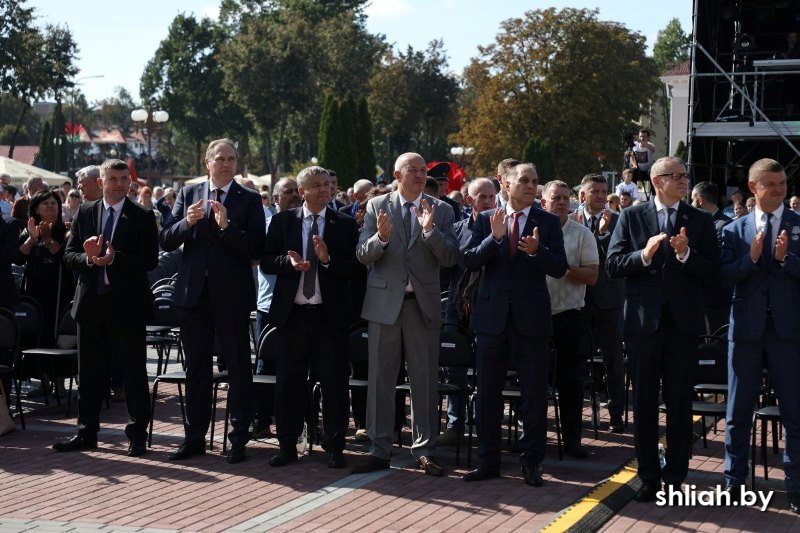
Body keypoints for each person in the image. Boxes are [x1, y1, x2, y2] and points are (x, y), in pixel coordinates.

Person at [606, 156, 718, 502]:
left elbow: (713, 272)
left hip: (682, 326)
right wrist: (645, 253)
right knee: (643, 403)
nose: (685, 181)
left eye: (686, 175)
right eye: (677, 176)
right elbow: (613, 265)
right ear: (658, 181)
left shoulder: (699, 220)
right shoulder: (631, 216)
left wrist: (686, 255)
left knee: (681, 403)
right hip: (643, 326)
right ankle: (648, 476)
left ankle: (675, 477)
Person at [351, 152, 458, 477]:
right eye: (413, 170)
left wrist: (430, 233)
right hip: (385, 306)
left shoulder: (442, 210)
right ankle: (379, 448)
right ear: (397, 174)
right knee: (381, 380)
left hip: (422, 306)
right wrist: (381, 238)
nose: (420, 175)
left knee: (425, 381)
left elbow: (451, 257)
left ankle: (425, 450)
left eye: (423, 170)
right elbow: (362, 255)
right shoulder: (376, 206)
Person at [462, 161, 568, 486]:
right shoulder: (485, 219)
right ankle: (488, 461)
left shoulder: (547, 221)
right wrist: (492, 239)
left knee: (534, 395)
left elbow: (560, 267)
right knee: (488, 393)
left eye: (535, 181)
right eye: (524, 180)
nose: (531, 186)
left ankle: (531, 462)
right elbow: (468, 261)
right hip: (492, 320)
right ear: (506, 184)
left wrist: (538, 251)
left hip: (531, 321)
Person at [160, 138, 265, 464]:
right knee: (197, 370)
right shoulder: (190, 193)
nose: (226, 164)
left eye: (232, 159)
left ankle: (238, 439)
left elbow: (257, 249)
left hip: (231, 296)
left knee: (238, 368)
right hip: (193, 295)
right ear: (207, 162)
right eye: (220, 158)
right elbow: (166, 238)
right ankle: (195, 438)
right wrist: (186, 222)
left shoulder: (247, 199)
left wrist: (227, 227)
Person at [53, 159, 159, 456]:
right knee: (89, 373)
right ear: (101, 182)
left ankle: (137, 435)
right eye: (113, 179)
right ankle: (86, 433)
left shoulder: (142, 215)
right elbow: (69, 255)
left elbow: (150, 260)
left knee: (133, 373)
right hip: (90, 304)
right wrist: (89, 259)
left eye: (124, 178)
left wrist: (115, 259)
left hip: (127, 306)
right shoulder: (86, 211)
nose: (120, 184)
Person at [261, 166, 365, 469]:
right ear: (301, 192)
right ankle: (287, 445)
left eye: (326, 185)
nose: (324, 190)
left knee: (334, 383)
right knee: (289, 383)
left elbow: (358, 270)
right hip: (292, 316)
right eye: (316, 185)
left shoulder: (344, 224)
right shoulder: (283, 222)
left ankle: (334, 446)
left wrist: (328, 260)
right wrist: (287, 262)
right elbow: (266, 260)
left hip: (329, 317)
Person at [720, 158, 800, 513]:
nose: (780, 190)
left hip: (788, 333)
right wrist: (750, 259)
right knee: (738, 411)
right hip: (747, 332)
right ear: (754, 188)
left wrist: (786, 261)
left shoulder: (799, 225)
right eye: (772, 184)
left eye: (783, 184)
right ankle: (733, 482)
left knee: (794, 412)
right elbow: (723, 278)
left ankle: (795, 485)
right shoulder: (734, 230)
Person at [540, 180, 598, 457]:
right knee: (534, 380)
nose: (562, 202)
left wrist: (563, 269)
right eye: (556, 198)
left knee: (570, 382)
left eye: (566, 198)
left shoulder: (582, 234)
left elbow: (593, 275)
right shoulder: (534, 229)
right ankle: (535, 437)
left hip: (568, 315)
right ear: (544, 203)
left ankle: (572, 438)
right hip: (536, 316)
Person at [437, 177, 497, 447]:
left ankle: (484, 425)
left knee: (487, 369)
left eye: (491, 197)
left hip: (490, 306)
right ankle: (454, 425)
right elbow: (451, 265)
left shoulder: (502, 227)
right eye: (481, 197)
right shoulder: (456, 229)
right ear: (469, 200)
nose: (487, 202)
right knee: (454, 369)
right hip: (457, 307)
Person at [572, 174, 626, 434]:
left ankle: (616, 415)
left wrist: (603, 234)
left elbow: (616, 260)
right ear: (583, 195)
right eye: (596, 191)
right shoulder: (570, 220)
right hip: (577, 300)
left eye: (605, 191)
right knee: (576, 358)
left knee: (612, 360)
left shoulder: (618, 222)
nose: (602, 196)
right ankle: (574, 415)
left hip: (608, 301)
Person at [251, 177, 301, 439]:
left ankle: (300, 420)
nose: (293, 195)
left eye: (296, 191)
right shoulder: (267, 225)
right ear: (275, 198)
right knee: (266, 364)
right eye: (287, 191)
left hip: (299, 306)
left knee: (296, 365)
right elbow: (262, 259)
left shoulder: (306, 224)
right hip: (269, 305)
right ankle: (261, 419)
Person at [691, 181, 733, 334]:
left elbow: (718, 262)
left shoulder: (724, 225)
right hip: (701, 298)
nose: (690, 204)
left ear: (700, 200)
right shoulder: (701, 223)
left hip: (716, 300)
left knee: (715, 347)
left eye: (692, 199)